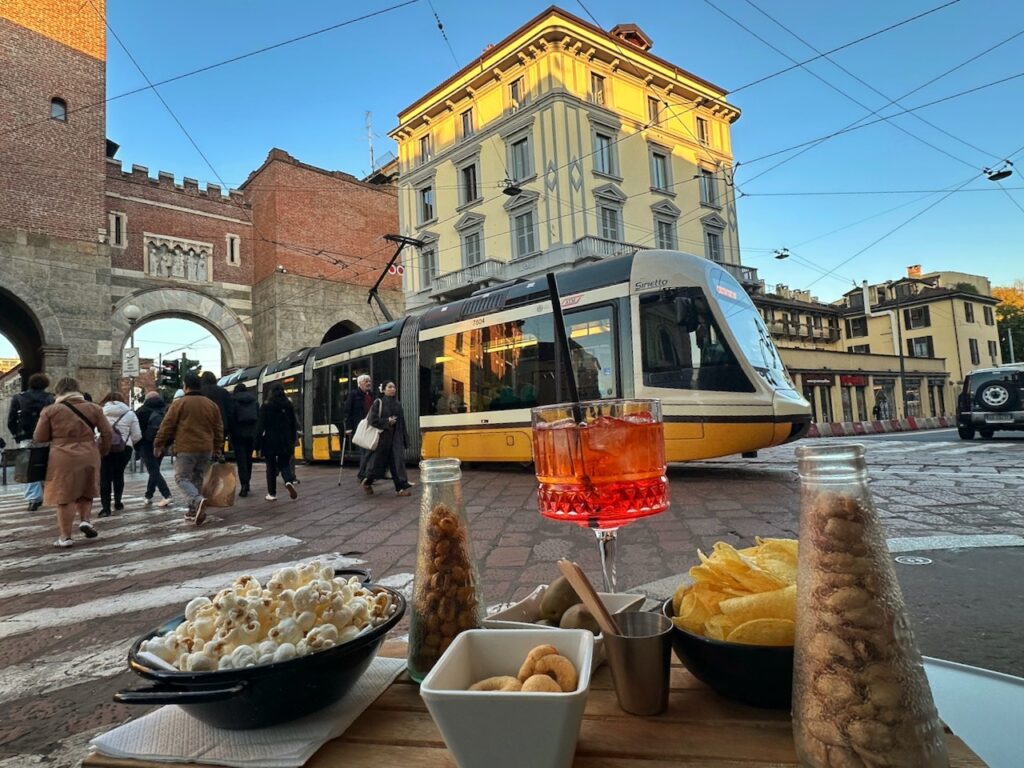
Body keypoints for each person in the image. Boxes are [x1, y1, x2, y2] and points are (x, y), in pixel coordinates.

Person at [33, 377, 112, 548]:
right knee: (86, 489)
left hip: (62, 456)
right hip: (89, 453)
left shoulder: (50, 411)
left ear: (59, 391)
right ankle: (85, 520)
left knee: (64, 496)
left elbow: (39, 437)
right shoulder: (94, 408)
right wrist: (102, 451)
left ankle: (65, 537)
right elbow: (107, 432)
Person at [154, 373, 223, 526]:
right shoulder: (211, 405)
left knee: (182, 478)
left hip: (186, 447)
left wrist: (159, 444)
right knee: (197, 478)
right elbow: (218, 429)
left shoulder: (179, 404)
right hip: (206, 448)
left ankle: (197, 501)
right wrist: (217, 447)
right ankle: (193, 511)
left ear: (185, 386)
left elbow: (167, 426)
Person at [7, 373, 55, 511]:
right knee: (46, 464)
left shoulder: (19, 397)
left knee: (28, 467)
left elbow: (11, 420)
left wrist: (17, 435)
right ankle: (46, 494)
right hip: (47, 436)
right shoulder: (50, 398)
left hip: (26, 437)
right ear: (45, 384)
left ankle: (33, 499)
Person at [361, 381, 414, 497]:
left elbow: (401, 423)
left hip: (395, 439)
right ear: (383, 390)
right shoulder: (378, 403)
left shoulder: (398, 404)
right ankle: (368, 481)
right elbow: (372, 420)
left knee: (396, 464)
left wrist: (405, 439)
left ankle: (400, 488)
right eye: (389, 387)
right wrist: (387, 422)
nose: (392, 389)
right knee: (378, 464)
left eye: (394, 387)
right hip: (382, 440)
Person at [98, 392, 142, 517]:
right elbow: (137, 435)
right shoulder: (130, 414)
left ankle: (105, 508)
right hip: (124, 449)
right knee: (119, 474)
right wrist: (128, 442)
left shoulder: (100, 412)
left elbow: (96, 431)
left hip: (105, 447)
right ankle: (118, 502)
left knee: (105, 476)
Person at [255, 383, 299, 501]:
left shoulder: (266, 405)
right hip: (285, 440)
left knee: (270, 467)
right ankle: (288, 481)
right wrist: (292, 439)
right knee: (284, 464)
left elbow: (260, 426)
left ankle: (272, 494)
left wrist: (257, 444)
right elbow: (293, 424)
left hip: (270, 441)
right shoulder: (288, 405)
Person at [135, 390, 173, 507]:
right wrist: (166, 444)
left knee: (153, 470)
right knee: (155, 469)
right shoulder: (166, 410)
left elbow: (137, 431)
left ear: (147, 399)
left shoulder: (141, 411)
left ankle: (167, 495)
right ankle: (148, 495)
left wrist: (137, 445)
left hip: (146, 444)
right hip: (162, 443)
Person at [344, 373, 374, 482]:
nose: (368, 383)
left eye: (369, 381)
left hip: (370, 426)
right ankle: (363, 475)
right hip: (359, 426)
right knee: (364, 451)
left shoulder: (371, 394)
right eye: (366, 381)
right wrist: (348, 427)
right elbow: (347, 411)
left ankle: (366, 474)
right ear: (359, 383)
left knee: (369, 450)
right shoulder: (353, 394)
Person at [231, 383, 259, 497]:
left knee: (241, 461)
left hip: (238, 435)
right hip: (251, 434)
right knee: (248, 459)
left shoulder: (233, 401)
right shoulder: (254, 401)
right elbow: (258, 417)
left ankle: (243, 485)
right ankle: (247, 483)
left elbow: (231, 418)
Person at [200, 371, 236, 447]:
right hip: (221, 426)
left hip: (203, 427)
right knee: (218, 447)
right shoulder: (223, 392)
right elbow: (230, 410)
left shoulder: (199, 392)